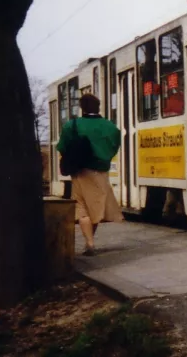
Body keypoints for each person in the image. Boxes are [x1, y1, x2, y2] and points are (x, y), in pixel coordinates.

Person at [56, 93, 124, 256]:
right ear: (98, 106)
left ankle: (90, 243)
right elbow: (114, 146)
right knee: (96, 207)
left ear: (82, 108)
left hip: (78, 171)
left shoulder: (71, 126)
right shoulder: (109, 126)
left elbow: (62, 148)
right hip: (100, 171)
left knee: (81, 207)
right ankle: (89, 243)